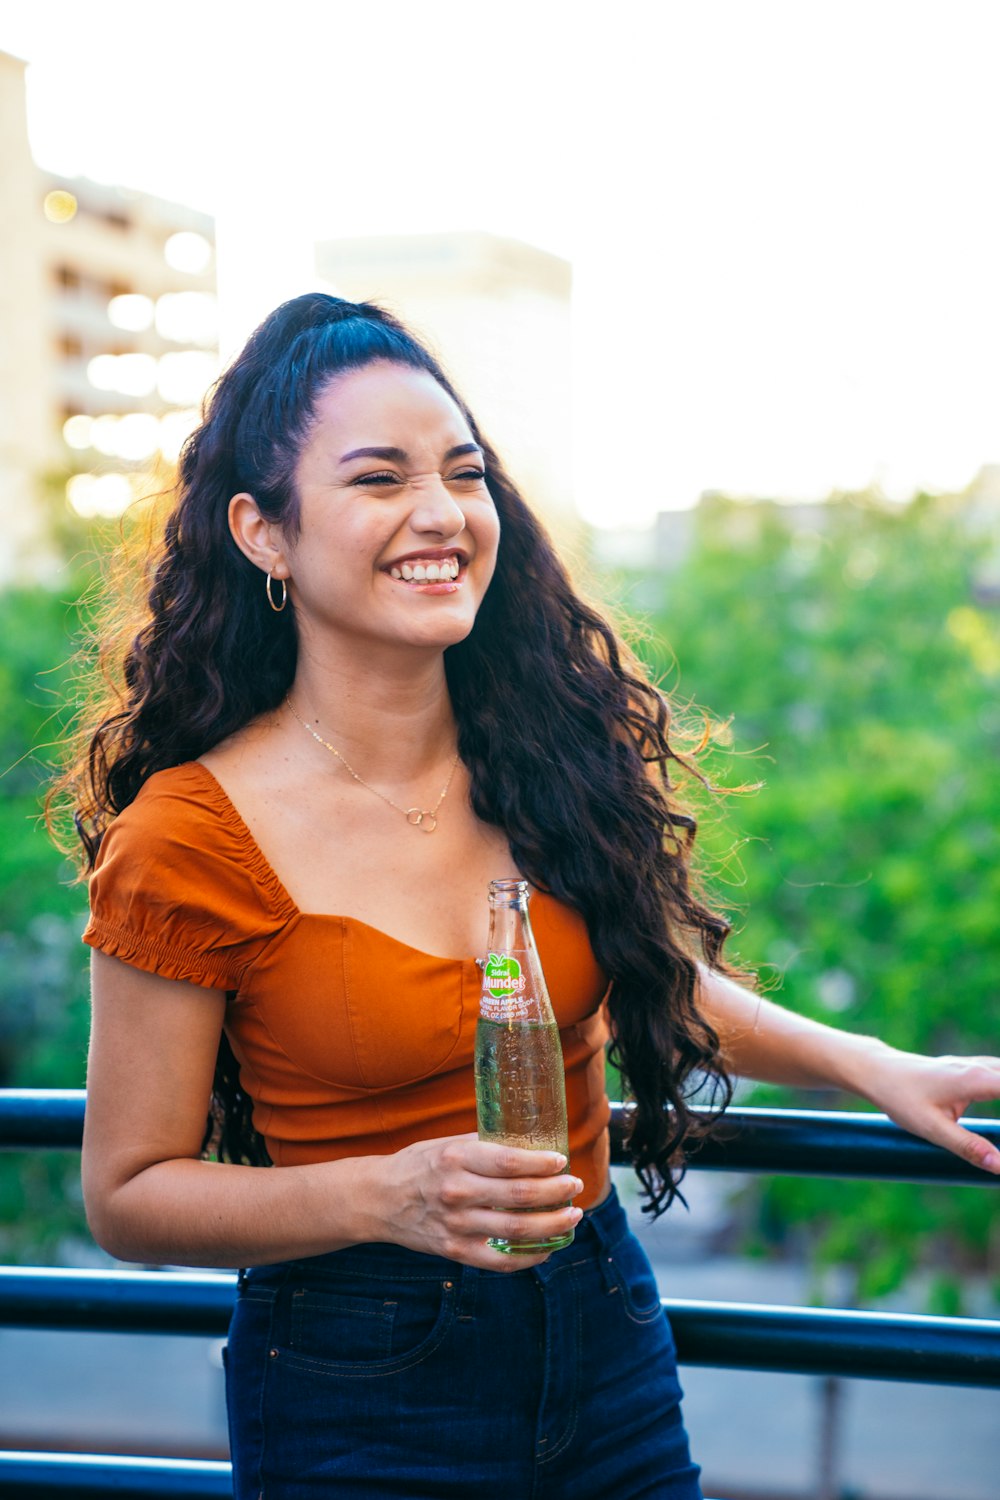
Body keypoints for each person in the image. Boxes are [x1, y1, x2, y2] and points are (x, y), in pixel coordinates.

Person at [61, 293, 1000, 1500]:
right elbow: (128, 1197)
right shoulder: (186, 837)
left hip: (604, 1334)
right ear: (263, 533)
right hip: (360, 1383)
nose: (440, 513)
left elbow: (649, 986)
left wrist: (871, 1065)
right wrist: (386, 1195)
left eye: (463, 472)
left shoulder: (537, 752)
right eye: (378, 479)